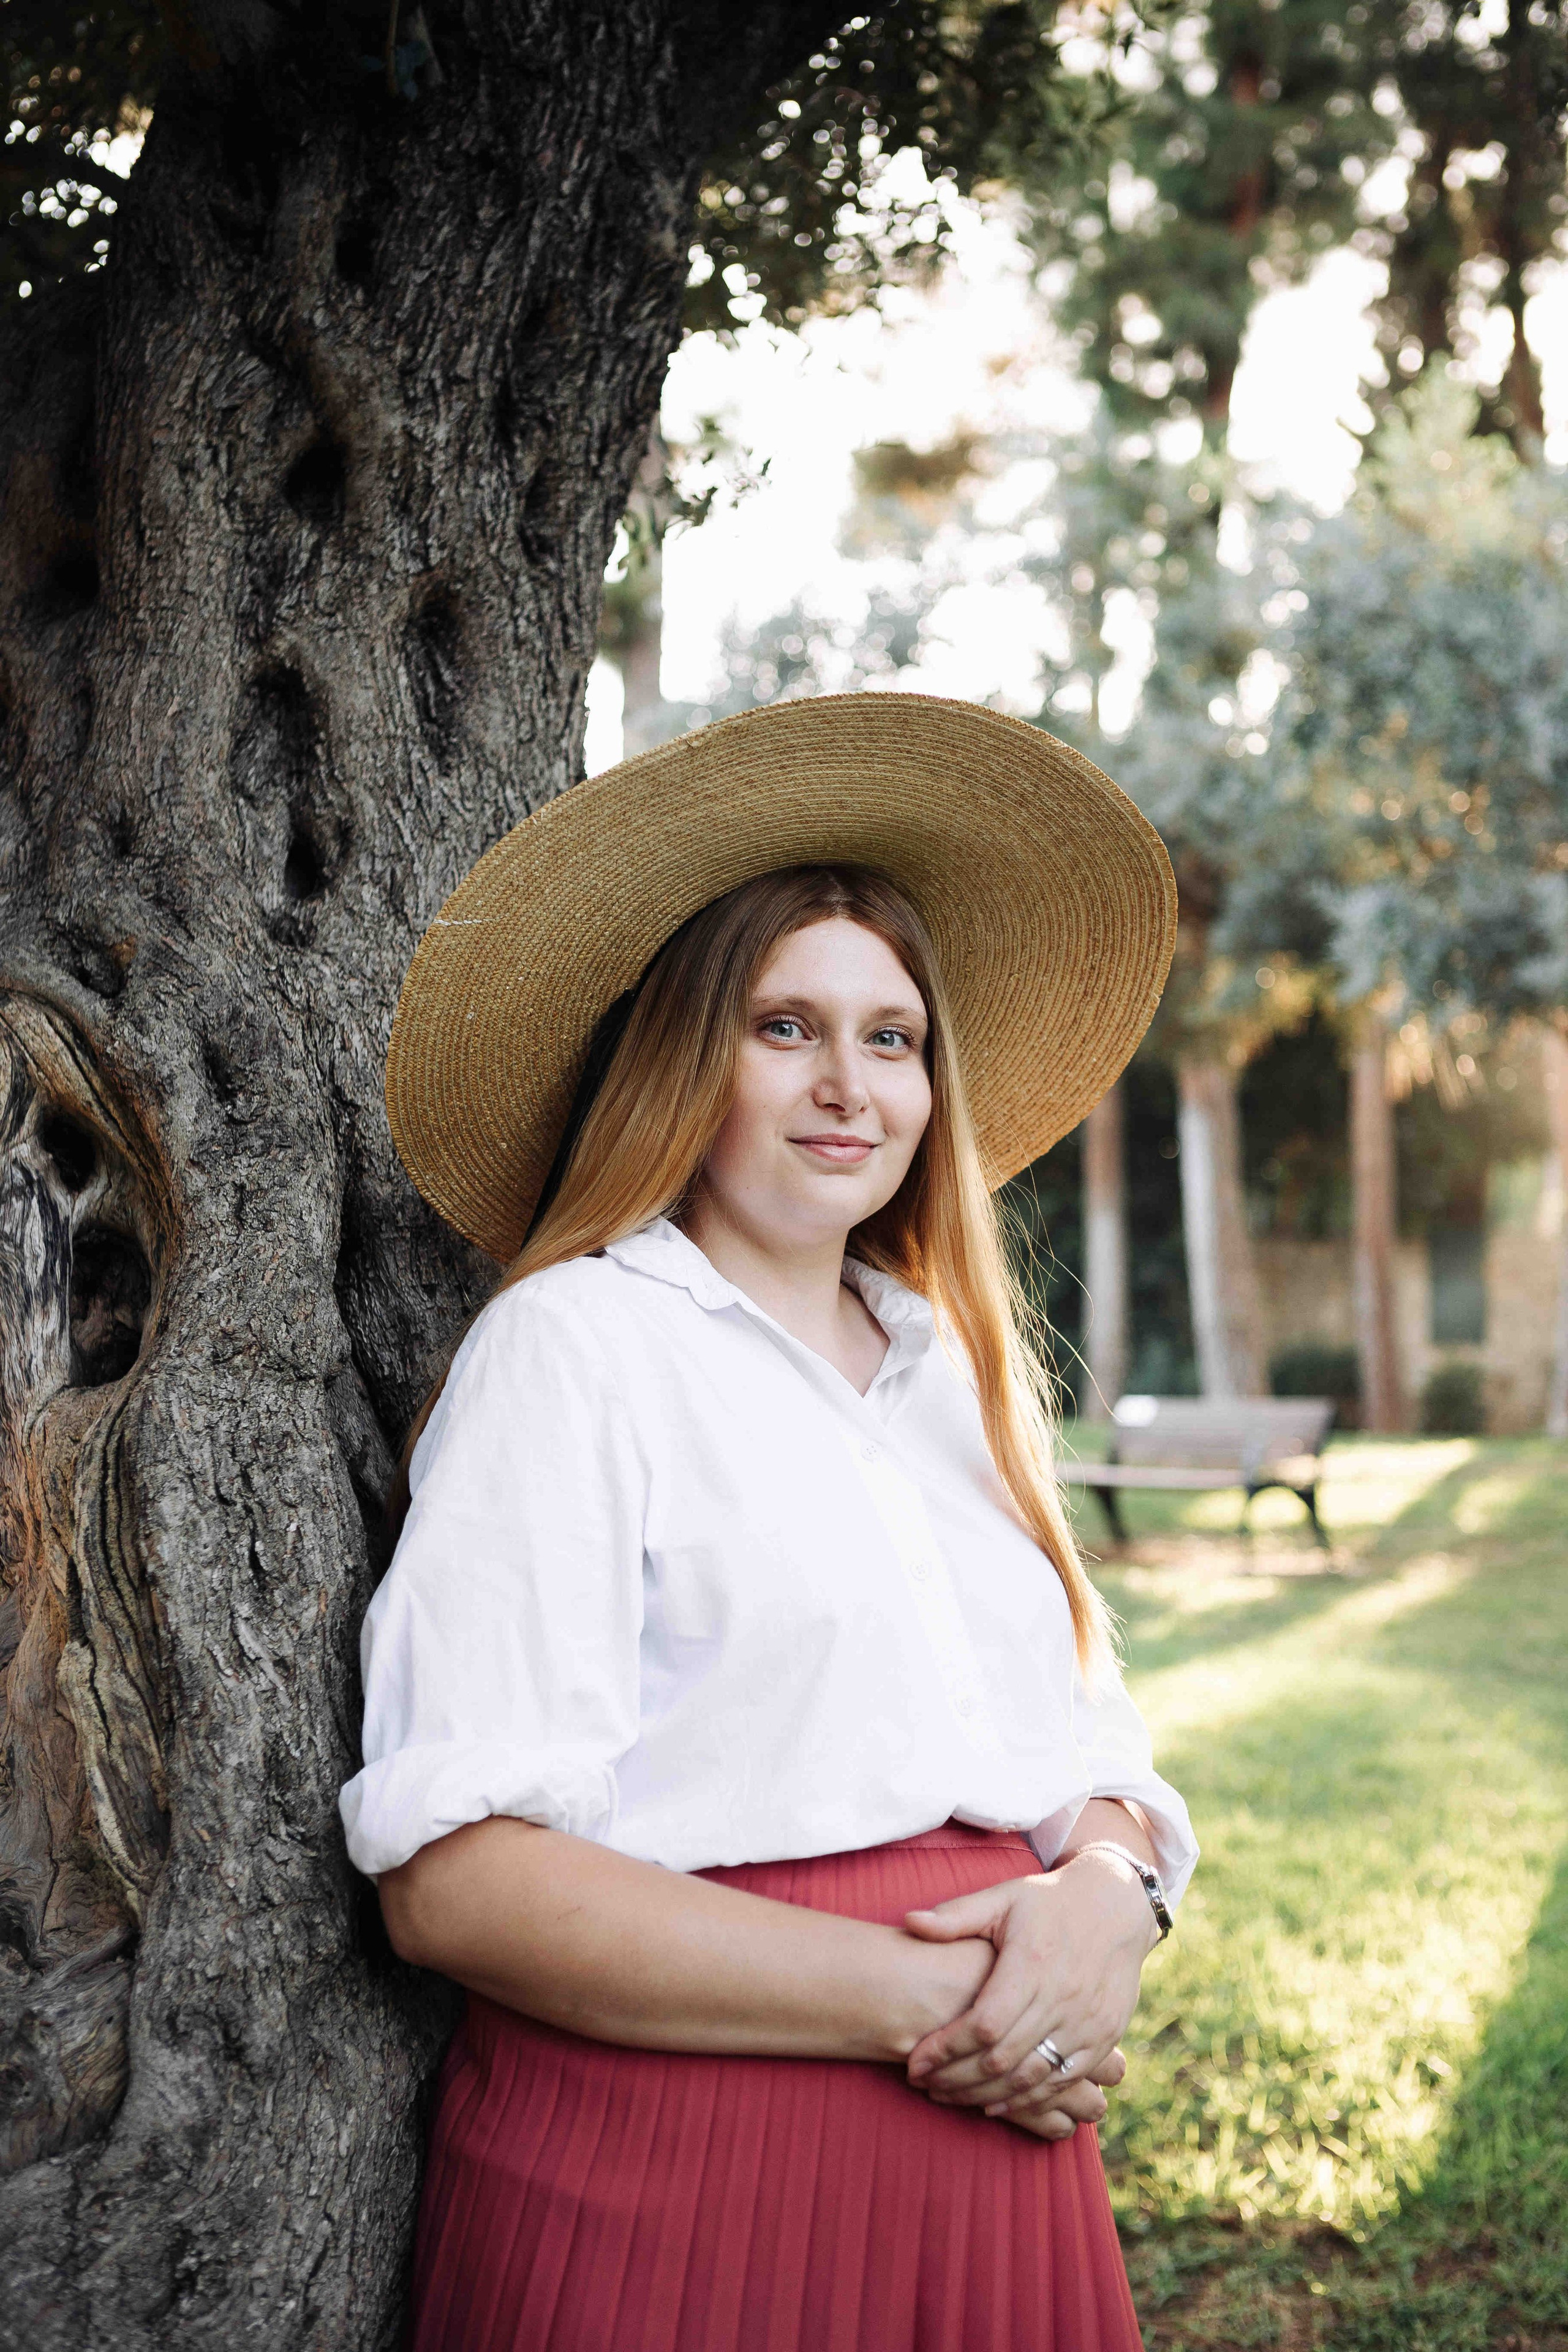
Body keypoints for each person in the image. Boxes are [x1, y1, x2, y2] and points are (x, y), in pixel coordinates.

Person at [339, 693, 1198, 2352]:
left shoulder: (957, 1374)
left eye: (893, 1038)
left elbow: (1090, 1750)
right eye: (785, 1026)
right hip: (686, 2155)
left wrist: (1107, 1897)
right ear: (687, 1060)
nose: (848, 1087)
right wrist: (940, 2004)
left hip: (1000, 2158)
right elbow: (460, 1882)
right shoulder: (575, 1346)